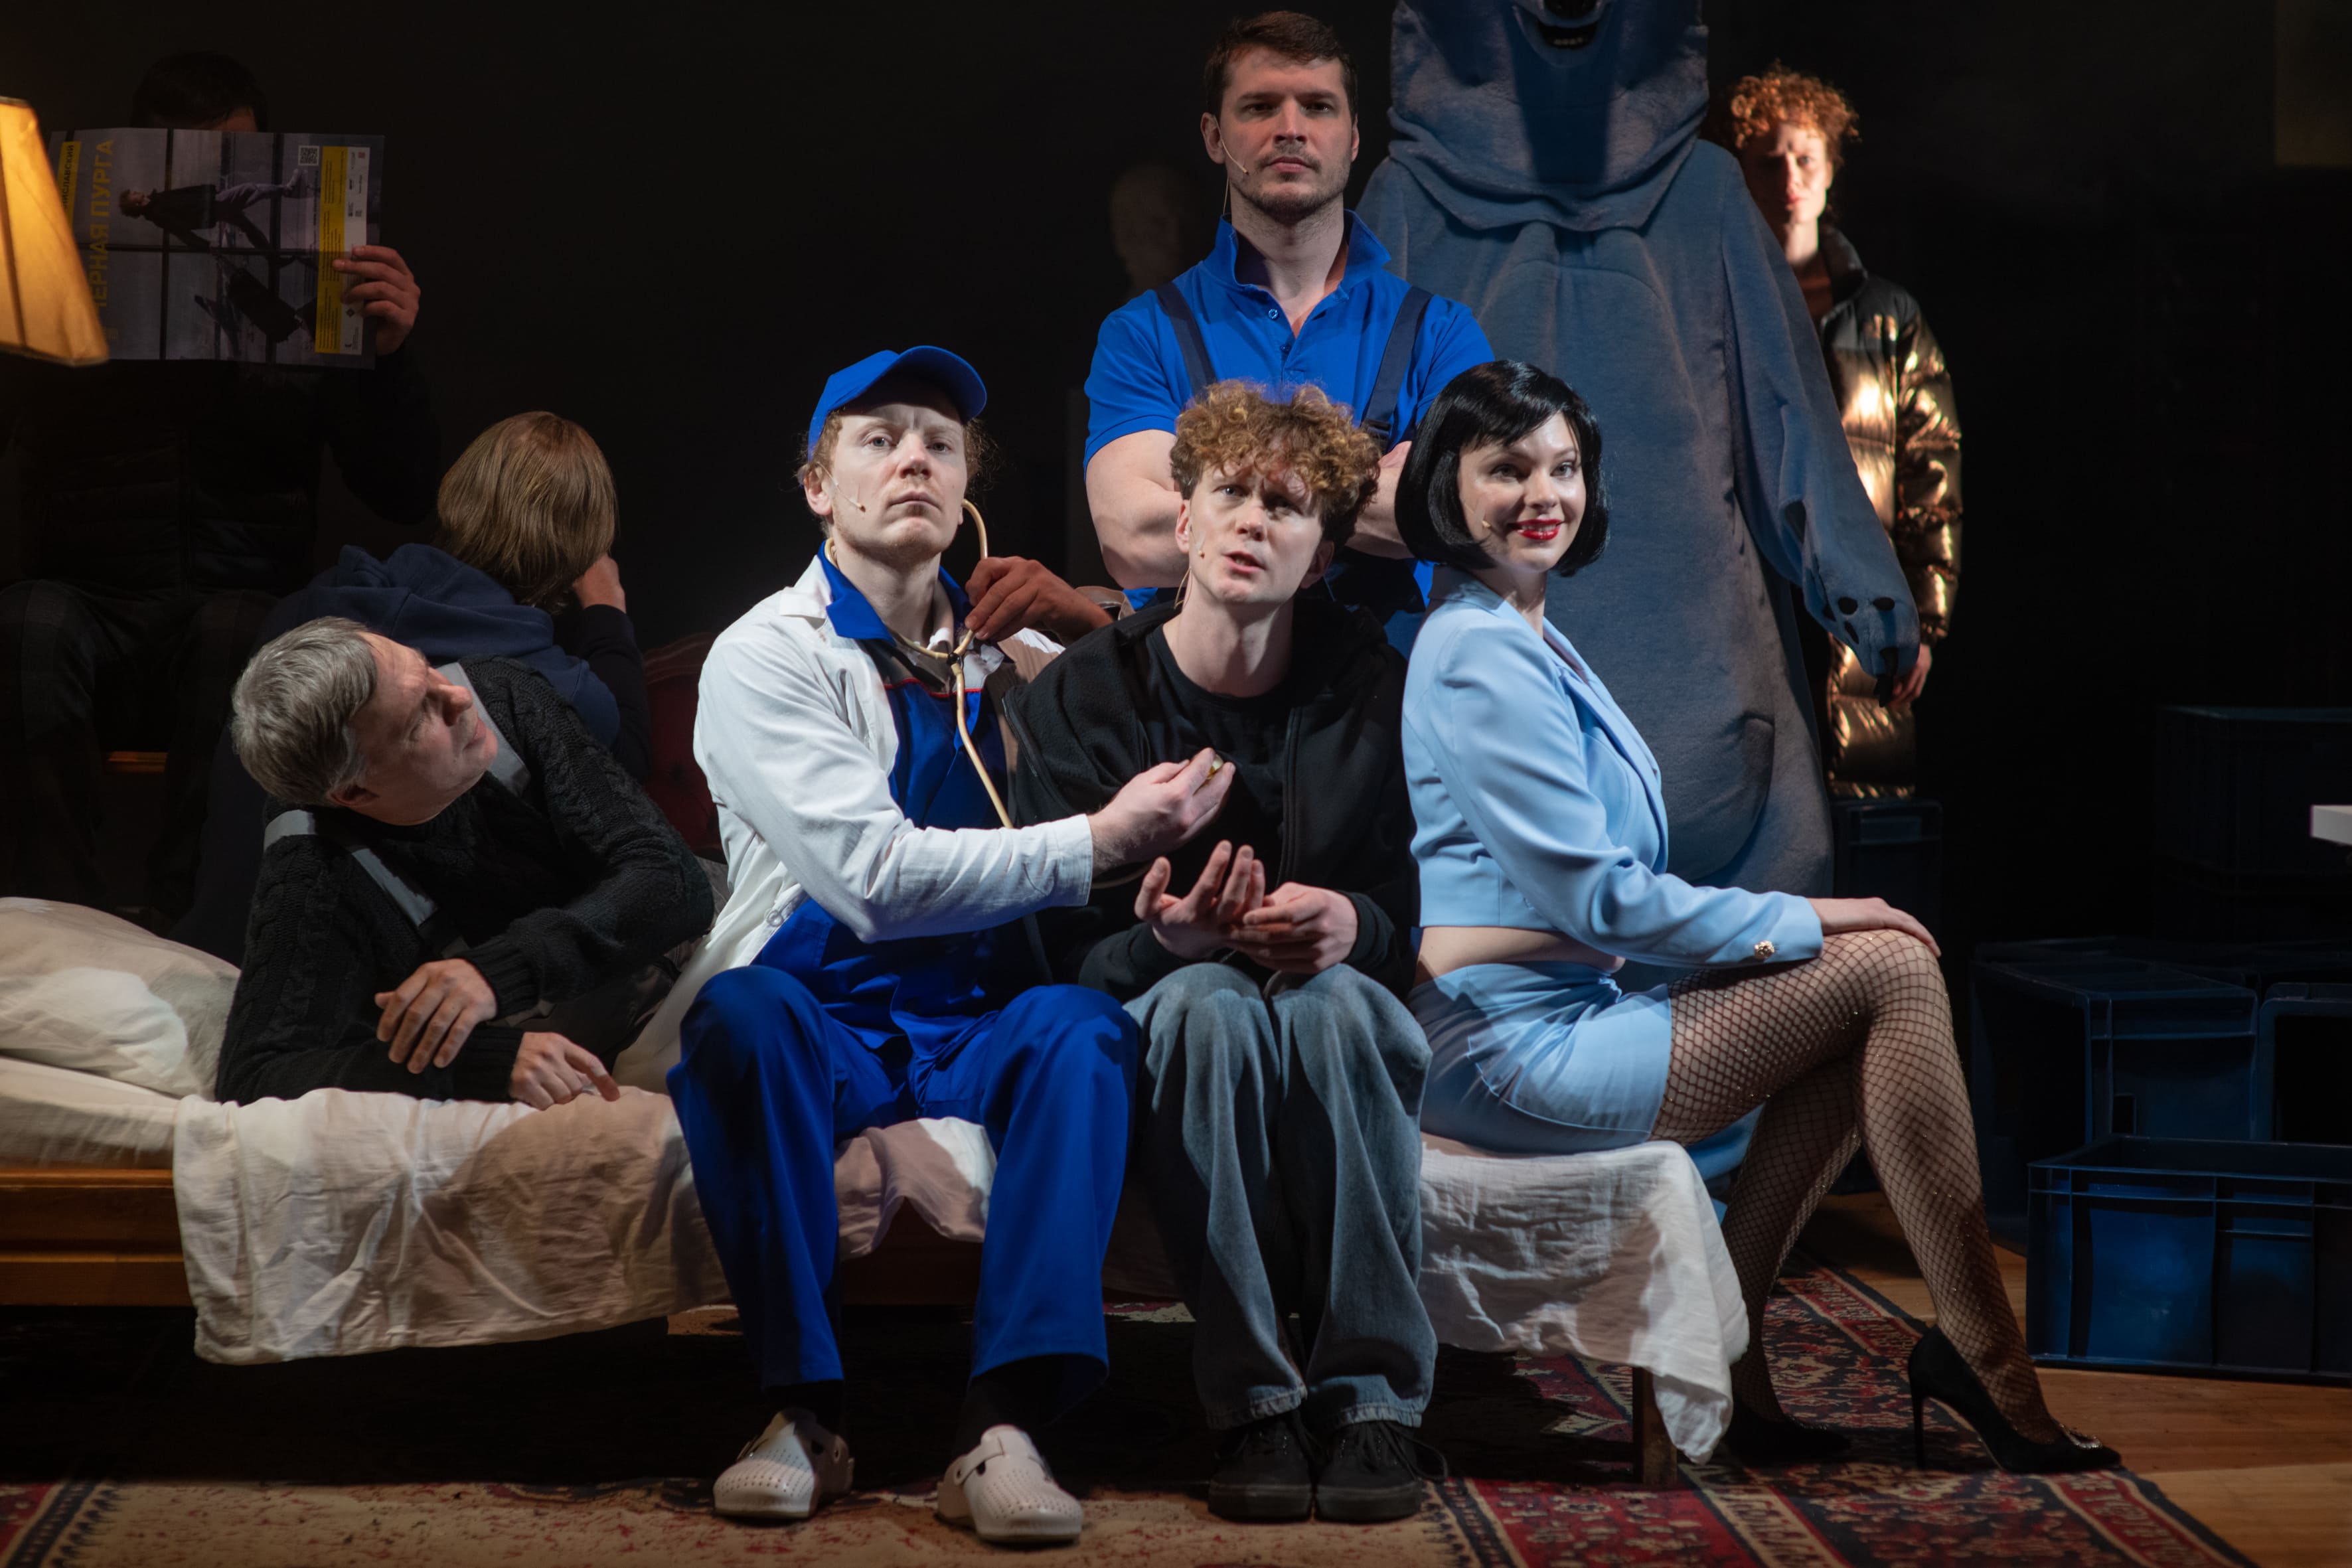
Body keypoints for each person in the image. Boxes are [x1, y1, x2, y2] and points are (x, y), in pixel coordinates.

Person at [1395, 359, 2112, 1474]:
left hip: (1557, 1013)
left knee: (1868, 1005)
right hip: (1511, 1054)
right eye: (1506, 469)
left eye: (1563, 467)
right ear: (1448, 485)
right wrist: (1816, 912)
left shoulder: (1521, 630)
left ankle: (1784, 1347)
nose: (1542, 494)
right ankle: (1982, 1352)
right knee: (1889, 967)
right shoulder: (1477, 653)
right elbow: (1601, 899)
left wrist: (1807, 925)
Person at [659, 347, 1231, 1543]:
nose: (912, 458)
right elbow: (871, 883)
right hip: (823, 1002)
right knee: (738, 1020)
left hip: (974, 1012)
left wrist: (1085, 621)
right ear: (818, 488)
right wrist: (1097, 840)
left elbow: (1174, 697)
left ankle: (1003, 1425)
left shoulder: (1015, 662)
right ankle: (802, 1413)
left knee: (1081, 1030)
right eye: (877, 439)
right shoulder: (767, 653)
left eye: (939, 442)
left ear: (968, 483)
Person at [1360, 0, 1916, 898]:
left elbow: (1785, 404)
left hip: (1676, 679)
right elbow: (1363, 435)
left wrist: (1865, 585)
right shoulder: (1406, 197)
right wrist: (1868, 591)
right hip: (1522, 670)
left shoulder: (1705, 192)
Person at [1009, 381, 1439, 1524]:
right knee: (1209, 1003)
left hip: (1328, 994)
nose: (1252, 520)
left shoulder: (1375, 691)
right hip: (1166, 1001)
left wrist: (1354, 924)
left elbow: (1416, 903)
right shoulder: (1088, 696)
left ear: (1322, 553)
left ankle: (1372, 1399)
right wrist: (1163, 943)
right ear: (1184, 521)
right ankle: (1254, 1401)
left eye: (1285, 506)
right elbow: (1045, 953)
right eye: (1229, 494)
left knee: (1332, 1007)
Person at [0, 52, 434, 922]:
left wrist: (388, 359)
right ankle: (53, 927)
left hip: (235, 605)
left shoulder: (311, 312)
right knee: (26, 623)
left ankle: (187, 935)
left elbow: (401, 490)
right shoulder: (70, 290)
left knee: (240, 633)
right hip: (95, 601)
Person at [176, 412, 650, 965]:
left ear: (456, 492)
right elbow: (630, 772)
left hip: (213, 947)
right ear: (584, 548)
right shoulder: (558, 688)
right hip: (350, 986)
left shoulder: (302, 611)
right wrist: (607, 612)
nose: (454, 696)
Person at [1083, 11, 1492, 650]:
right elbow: (1134, 539)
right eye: (1260, 107)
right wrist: (1367, 489)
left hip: (1389, 698)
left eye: (1318, 107)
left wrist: (1219, 499)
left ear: (1352, 138)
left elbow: (1465, 513)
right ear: (1214, 136)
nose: (1291, 129)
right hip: (1189, 697)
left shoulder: (1440, 333)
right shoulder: (1143, 332)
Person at [214, 617, 712, 1107]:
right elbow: (257, 1075)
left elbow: (673, 881)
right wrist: (479, 1067)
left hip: (705, 956)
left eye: (427, 667)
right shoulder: (316, 865)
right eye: (418, 719)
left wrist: (499, 973)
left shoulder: (501, 694)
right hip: (606, 1056)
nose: (457, 696)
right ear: (355, 793)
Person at [1710, 66, 1961, 796]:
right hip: (1748, 598)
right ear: (1741, 173)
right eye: (1769, 161)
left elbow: (1932, 473)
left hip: (1859, 604)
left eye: (1805, 158)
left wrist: (1922, 622)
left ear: (1829, 170)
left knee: (1861, 809)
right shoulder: (1715, 302)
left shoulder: (1888, 317)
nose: (1789, 177)